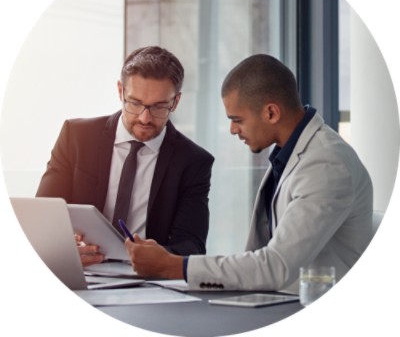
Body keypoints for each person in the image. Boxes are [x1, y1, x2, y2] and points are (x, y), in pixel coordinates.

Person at [124, 53, 373, 293]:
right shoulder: (290, 155)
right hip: (277, 301)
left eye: (237, 119)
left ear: (271, 113)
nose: (233, 130)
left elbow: (276, 266)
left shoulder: (326, 164)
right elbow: (259, 258)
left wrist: (172, 266)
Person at [36, 46, 214, 266]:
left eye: (159, 107)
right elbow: (42, 217)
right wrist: (65, 247)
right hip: (79, 270)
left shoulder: (194, 162)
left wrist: (158, 256)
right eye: (135, 103)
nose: (145, 118)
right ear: (120, 91)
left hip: (147, 281)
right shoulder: (76, 136)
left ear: (175, 102)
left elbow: (192, 245)